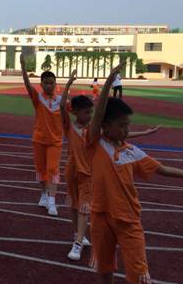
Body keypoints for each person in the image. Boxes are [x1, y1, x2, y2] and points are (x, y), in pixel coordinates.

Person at [88, 62, 182, 284]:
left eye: (128, 125)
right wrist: (109, 81)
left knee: (140, 273)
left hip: (128, 219)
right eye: (122, 125)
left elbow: (162, 169)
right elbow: (97, 114)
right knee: (104, 263)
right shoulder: (95, 143)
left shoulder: (132, 151)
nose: (127, 130)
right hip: (100, 215)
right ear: (105, 127)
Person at [61, 70, 160, 262]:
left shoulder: (94, 131)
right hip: (72, 169)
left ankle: (78, 243)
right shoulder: (69, 126)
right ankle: (77, 235)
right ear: (75, 112)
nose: (90, 115)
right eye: (86, 112)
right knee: (74, 205)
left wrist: (145, 133)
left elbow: (120, 134)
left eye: (91, 112)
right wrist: (68, 84)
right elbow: (62, 105)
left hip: (88, 172)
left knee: (84, 207)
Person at [20, 54, 63, 216]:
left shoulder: (61, 100)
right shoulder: (37, 98)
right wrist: (23, 67)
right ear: (41, 84)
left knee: (53, 169)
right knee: (41, 169)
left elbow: (78, 111)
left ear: (55, 84)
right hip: (39, 139)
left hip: (55, 141)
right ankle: (44, 194)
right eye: (46, 83)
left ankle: (52, 201)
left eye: (51, 83)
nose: (49, 86)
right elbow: (27, 84)